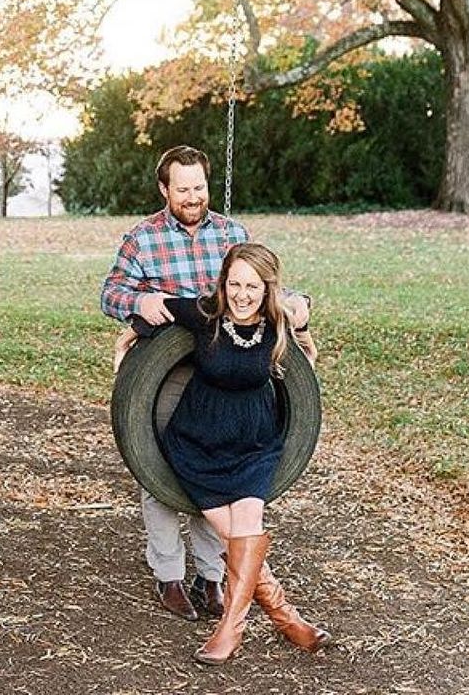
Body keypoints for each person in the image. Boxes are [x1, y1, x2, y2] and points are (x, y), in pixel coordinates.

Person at [101, 145, 312, 622]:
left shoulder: (231, 233)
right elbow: (110, 292)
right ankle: (169, 575)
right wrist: (140, 301)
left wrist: (302, 305)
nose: (193, 197)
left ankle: (212, 577)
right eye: (183, 189)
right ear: (164, 189)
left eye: (199, 187)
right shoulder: (143, 238)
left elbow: (262, 286)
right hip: (165, 373)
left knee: (225, 466)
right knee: (161, 473)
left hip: (228, 366)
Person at [128, 243, 331, 664]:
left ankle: (230, 632)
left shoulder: (278, 322)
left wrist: (304, 318)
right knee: (236, 537)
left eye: (252, 286)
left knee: (247, 532)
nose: (242, 294)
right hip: (197, 447)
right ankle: (287, 618)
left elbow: (307, 337)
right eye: (234, 284)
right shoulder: (205, 316)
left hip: (254, 445)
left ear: (267, 288)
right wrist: (126, 336)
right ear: (223, 284)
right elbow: (151, 312)